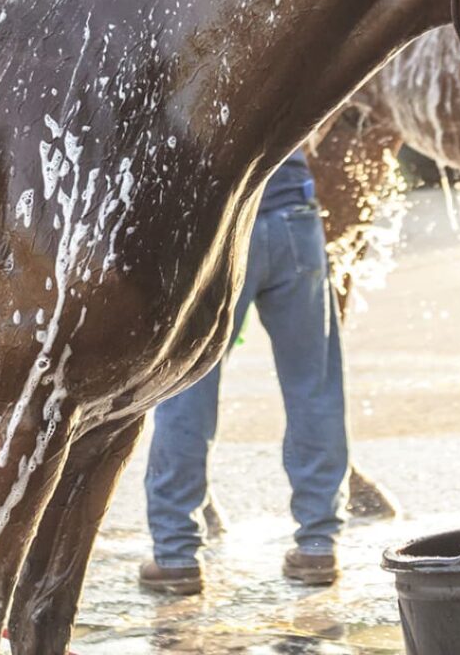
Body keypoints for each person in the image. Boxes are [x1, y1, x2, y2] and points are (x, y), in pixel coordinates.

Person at [140, 149, 348, 595]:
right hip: (294, 216)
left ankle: (175, 554)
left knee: (186, 386)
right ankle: (317, 544)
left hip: (215, 227)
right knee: (314, 385)